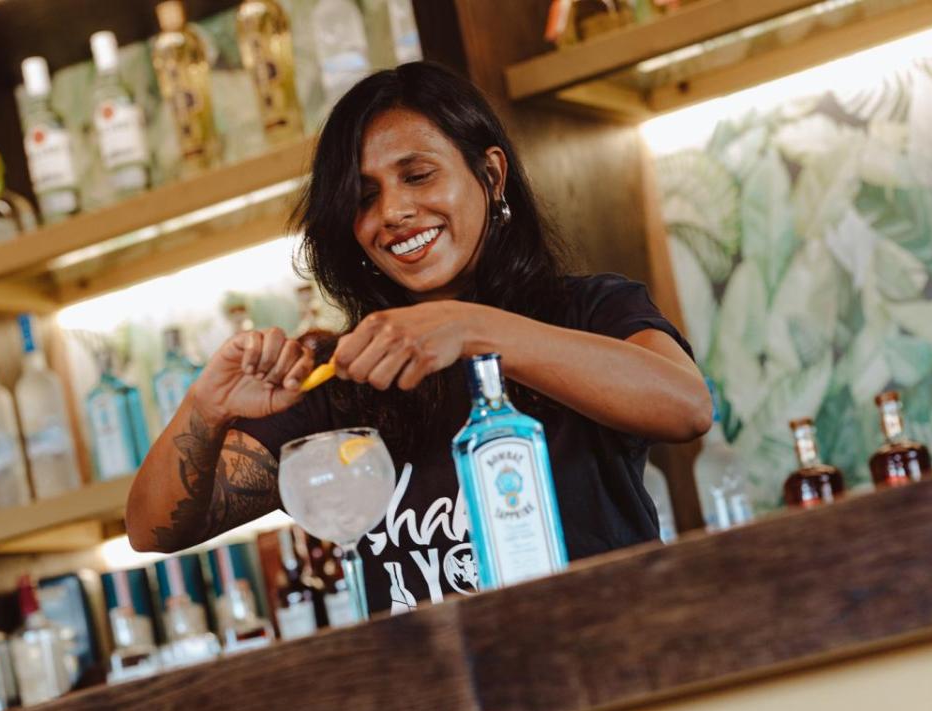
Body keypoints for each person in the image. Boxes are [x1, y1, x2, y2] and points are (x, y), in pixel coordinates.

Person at [126, 62, 710, 615]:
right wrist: (207, 407)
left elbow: (685, 408)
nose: (395, 211)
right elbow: (154, 528)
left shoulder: (587, 310)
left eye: (418, 175)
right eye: (364, 197)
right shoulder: (338, 378)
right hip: (438, 705)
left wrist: (473, 329)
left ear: (491, 174)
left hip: (614, 683)